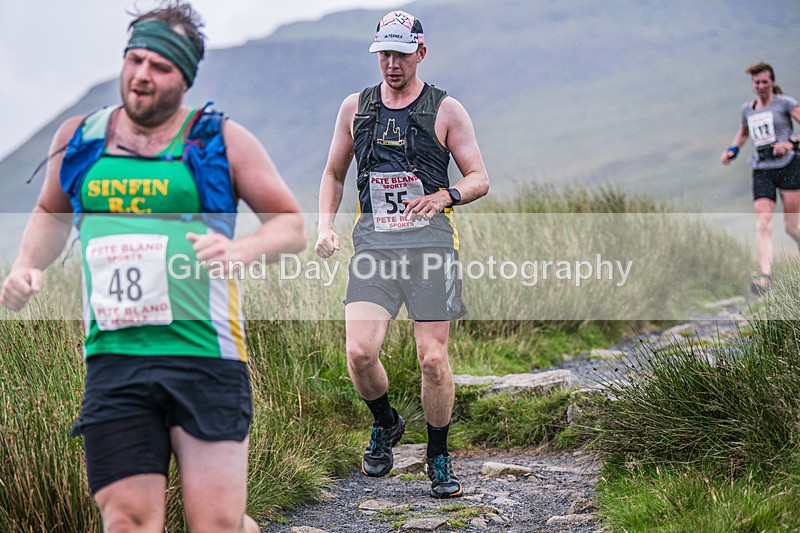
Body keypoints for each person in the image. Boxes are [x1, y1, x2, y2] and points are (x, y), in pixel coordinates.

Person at [0, 2, 305, 531]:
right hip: (115, 361)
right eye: (135, 60)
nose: (142, 75)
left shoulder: (216, 140)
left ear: (184, 78)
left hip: (204, 356)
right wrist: (27, 265)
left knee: (218, 525)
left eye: (159, 66)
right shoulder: (81, 140)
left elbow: (290, 224)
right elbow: (51, 211)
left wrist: (242, 250)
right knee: (128, 521)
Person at [315, 10, 489, 499]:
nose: (392, 64)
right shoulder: (356, 107)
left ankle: (437, 455)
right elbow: (333, 173)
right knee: (359, 352)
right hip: (374, 246)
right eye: (384, 54)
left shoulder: (446, 109)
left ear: (421, 53)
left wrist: (444, 197)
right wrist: (325, 227)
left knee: (432, 359)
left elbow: (480, 177)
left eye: (401, 54)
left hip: (431, 247)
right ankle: (387, 421)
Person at [721, 62, 800, 293]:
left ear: (772, 82)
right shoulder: (748, 109)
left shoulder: (785, 104)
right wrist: (732, 151)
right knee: (763, 223)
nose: (761, 86)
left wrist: (790, 143)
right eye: (757, 82)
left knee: (792, 227)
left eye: (765, 81)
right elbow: (744, 132)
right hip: (762, 168)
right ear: (752, 85)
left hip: (789, 166)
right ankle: (765, 277)